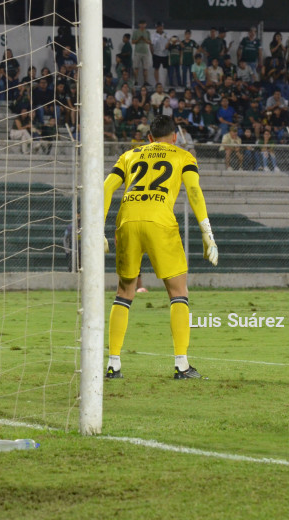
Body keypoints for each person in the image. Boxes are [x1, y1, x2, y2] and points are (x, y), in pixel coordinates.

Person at [103, 114, 218, 380]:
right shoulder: (183, 156)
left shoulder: (129, 155)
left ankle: (113, 364)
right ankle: (182, 365)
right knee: (178, 292)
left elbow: (107, 187)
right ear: (175, 136)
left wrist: (98, 227)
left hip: (127, 221)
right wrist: (207, 233)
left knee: (124, 292)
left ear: (150, 137)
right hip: (160, 221)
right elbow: (194, 191)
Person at [131, 19, 152, 86]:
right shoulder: (136, 32)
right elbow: (133, 42)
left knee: (145, 68)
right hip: (137, 52)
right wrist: (139, 39)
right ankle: (136, 81)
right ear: (139, 25)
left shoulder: (147, 32)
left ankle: (145, 81)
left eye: (144, 24)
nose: (142, 25)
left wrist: (144, 39)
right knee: (136, 67)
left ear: (145, 25)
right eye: (141, 24)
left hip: (145, 52)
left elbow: (150, 42)